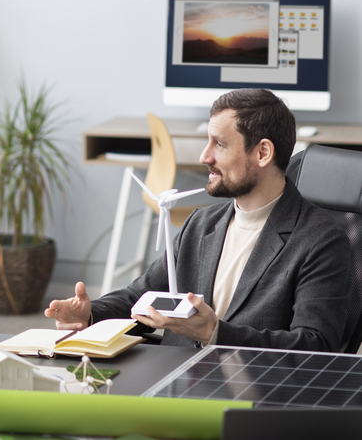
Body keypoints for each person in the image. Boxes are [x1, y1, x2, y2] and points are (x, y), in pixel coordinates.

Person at [46, 88, 351, 352]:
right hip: (173, 383)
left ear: (262, 153)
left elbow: (315, 347)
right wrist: (89, 315)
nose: (205, 157)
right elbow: (141, 296)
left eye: (219, 144)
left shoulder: (320, 242)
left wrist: (215, 333)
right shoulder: (201, 225)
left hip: (254, 398)